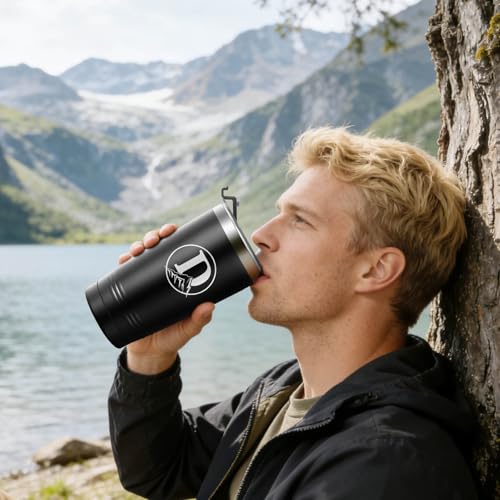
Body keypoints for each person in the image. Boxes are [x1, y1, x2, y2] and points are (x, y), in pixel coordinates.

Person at [108, 127, 478, 499]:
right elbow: (159, 470)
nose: (261, 235)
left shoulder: (385, 463)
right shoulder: (281, 391)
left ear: (376, 270)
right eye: (279, 213)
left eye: (300, 220)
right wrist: (150, 357)